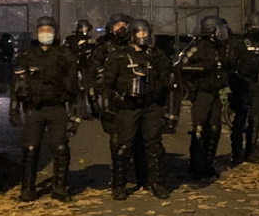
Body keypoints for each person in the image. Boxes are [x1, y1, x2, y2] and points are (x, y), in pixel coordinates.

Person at [101, 19, 176, 200]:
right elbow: (107, 84)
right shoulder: (119, 56)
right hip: (128, 107)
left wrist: (168, 110)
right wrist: (112, 102)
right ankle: (119, 186)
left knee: (154, 146)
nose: (143, 36)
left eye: (145, 33)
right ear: (132, 35)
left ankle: (156, 183)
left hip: (151, 106)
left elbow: (168, 83)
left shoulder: (157, 56)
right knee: (124, 146)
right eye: (139, 33)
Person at [9, 16, 80, 202]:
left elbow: (74, 86)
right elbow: (17, 84)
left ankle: (59, 187)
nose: (46, 34)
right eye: (42, 30)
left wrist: (76, 114)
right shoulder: (27, 56)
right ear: (36, 32)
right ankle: (28, 189)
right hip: (34, 109)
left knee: (60, 147)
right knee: (31, 148)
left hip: (57, 108)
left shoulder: (64, 55)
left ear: (55, 33)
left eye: (49, 30)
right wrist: (14, 109)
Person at [90, 13, 149, 190]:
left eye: (124, 24)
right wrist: (96, 98)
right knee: (117, 141)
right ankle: (118, 178)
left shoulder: (138, 46)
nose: (121, 28)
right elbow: (92, 72)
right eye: (117, 25)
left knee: (140, 140)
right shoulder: (103, 47)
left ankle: (143, 178)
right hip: (114, 99)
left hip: (136, 99)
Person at [179, 15, 229, 180]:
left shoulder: (217, 47)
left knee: (214, 129)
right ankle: (196, 165)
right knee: (199, 128)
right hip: (202, 92)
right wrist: (204, 68)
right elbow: (182, 65)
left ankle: (207, 164)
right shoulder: (198, 46)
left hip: (214, 92)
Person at [226, 12, 259, 166]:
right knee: (240, 118)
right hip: (242, 83)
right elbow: (232, 63)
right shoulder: (241, 43)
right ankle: (237, 153)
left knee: (256, 119)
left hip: (258, 84)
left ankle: (251, 151)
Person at [62, 19, 96, 118]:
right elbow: (67, 52)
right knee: (72, 89)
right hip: (74, 68)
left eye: (87, 28)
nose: (86, 30)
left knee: (84, 90)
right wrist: (79, 46)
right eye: (84, 27)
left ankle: (82, 111)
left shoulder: (88, 39)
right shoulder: (71, 39)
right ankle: (73, 111)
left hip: (84, 67)